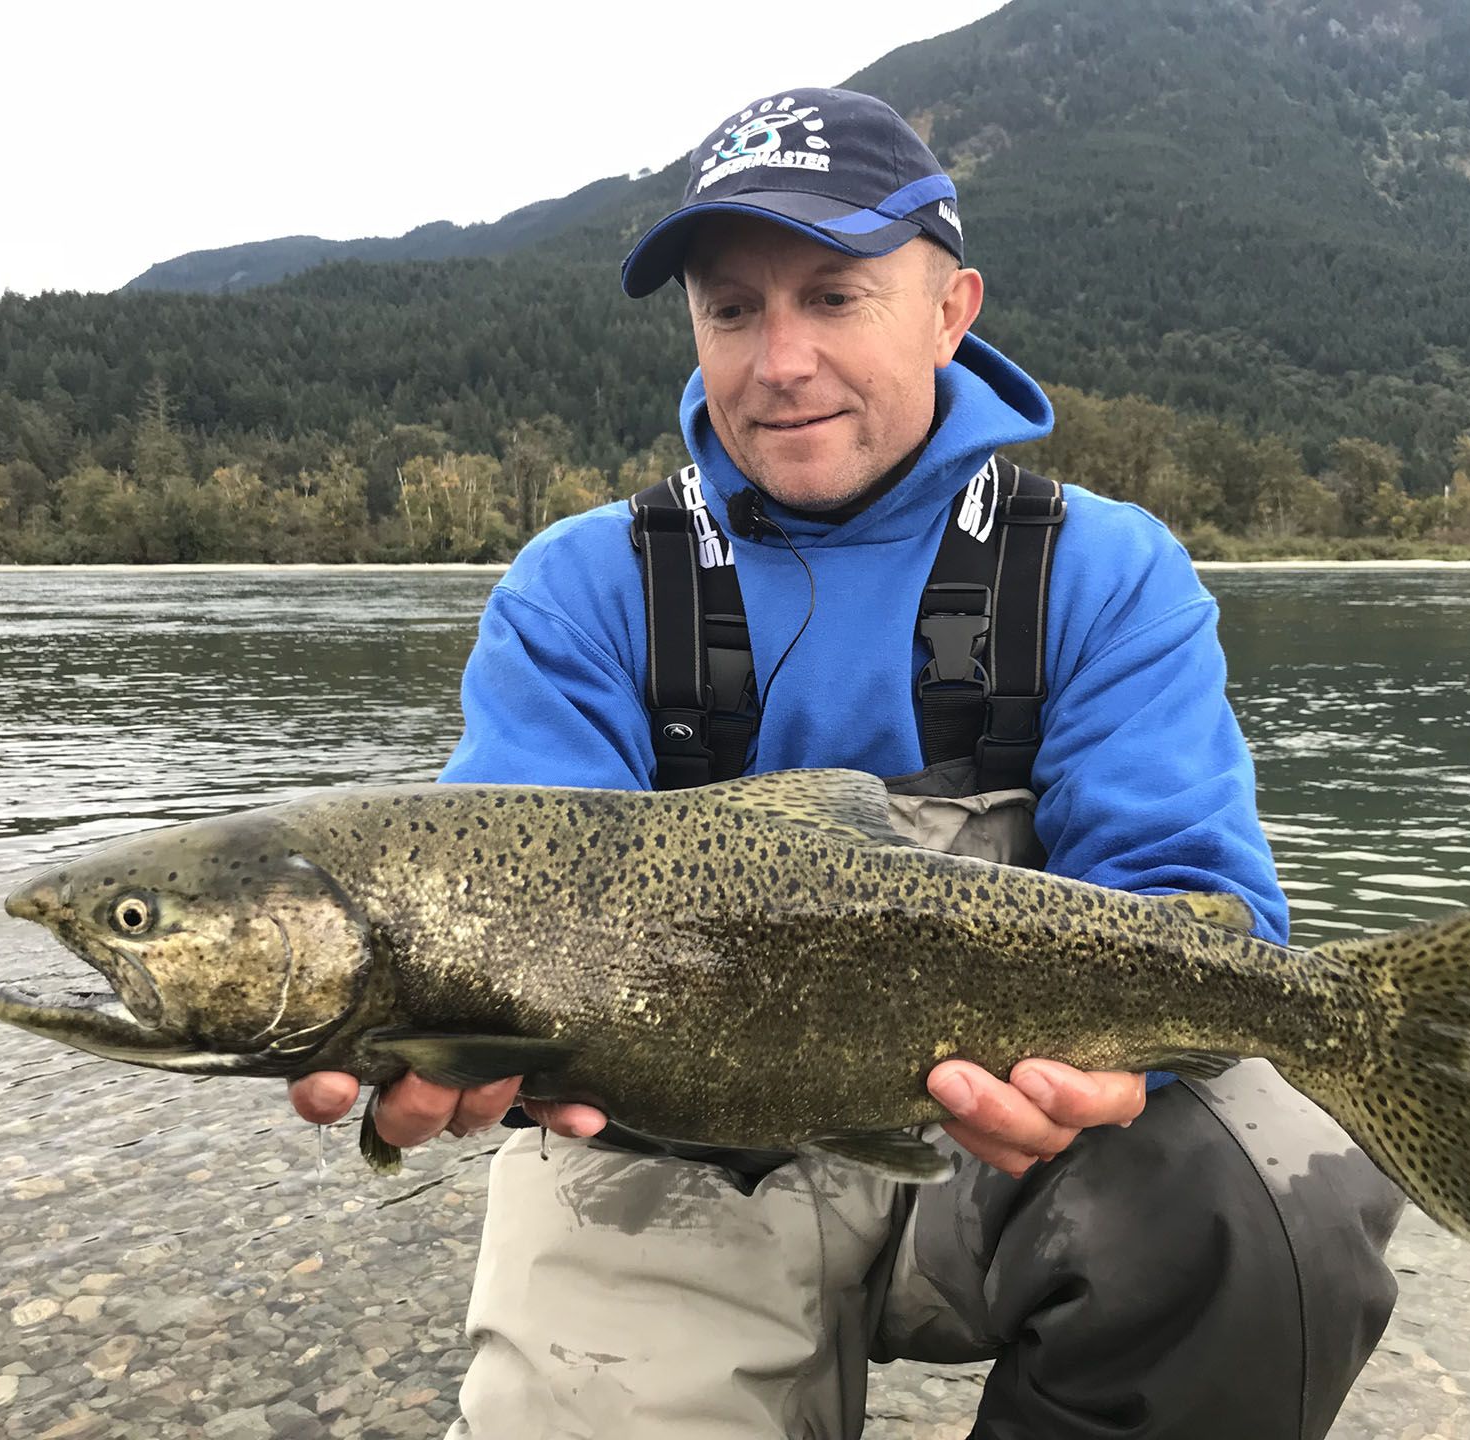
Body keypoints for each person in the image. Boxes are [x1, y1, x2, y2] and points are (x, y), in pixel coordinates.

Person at [291, 87, 1403, 1439]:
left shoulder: (1106, 571)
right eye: (733, 310)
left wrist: (1128, 1078)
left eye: (834, 297)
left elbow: (1186, 896)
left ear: (950, 310)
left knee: (1274, 1188)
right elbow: (485, 895)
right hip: (673, 1161)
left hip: (998, 1153)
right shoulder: (578, 588)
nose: (779, 360)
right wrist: (419, 1043)